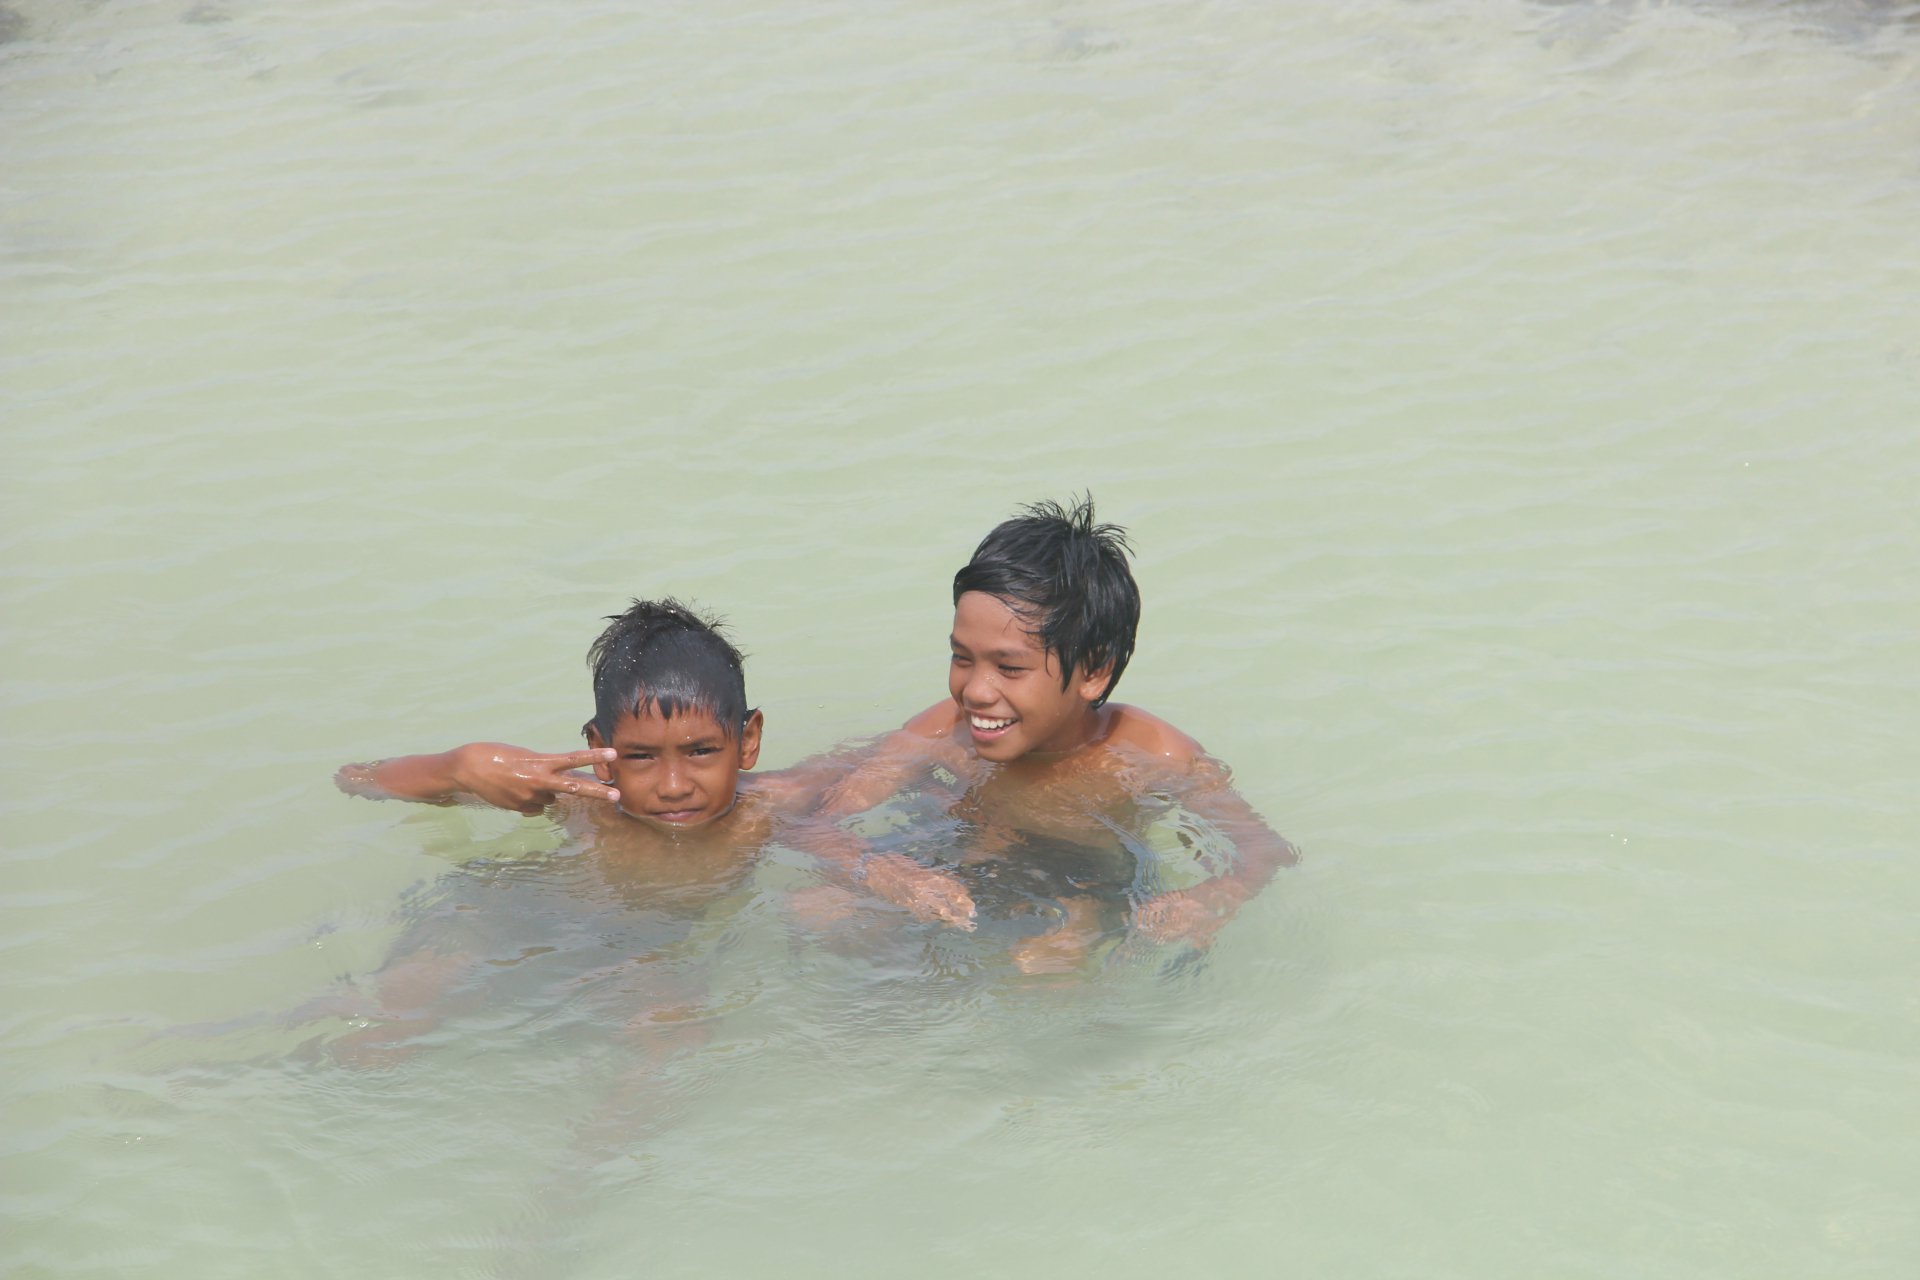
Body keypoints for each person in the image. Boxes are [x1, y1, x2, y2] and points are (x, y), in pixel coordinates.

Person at [796, 497, 1297, 973]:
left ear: (1093, 672)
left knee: (1047, 963)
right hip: (961, 855)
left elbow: (1264, 849)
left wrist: (1214, 896)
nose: (975, 691)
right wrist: (878, 870)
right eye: (962, 658)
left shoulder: (1149, 753)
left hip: (1080, 882)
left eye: (1010, 668)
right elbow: (817, 824)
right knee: (817, 908)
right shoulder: (946, 729)